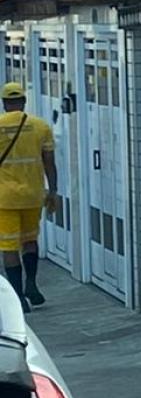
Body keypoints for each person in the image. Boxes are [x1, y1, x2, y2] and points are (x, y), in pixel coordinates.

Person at [0, 82, 57, 313]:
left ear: (4, 104)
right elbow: (50, 164)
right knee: (30, 240)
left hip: (4, 199)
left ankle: (18, 299)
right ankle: (31, 283)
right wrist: (52, 191)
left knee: (9, 247)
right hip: (33, 195)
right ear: (23, 102)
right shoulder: (40, 126)